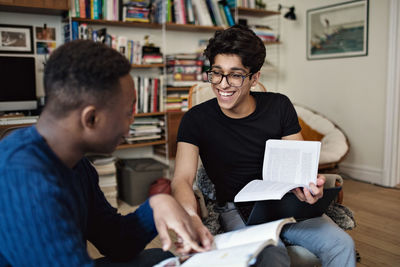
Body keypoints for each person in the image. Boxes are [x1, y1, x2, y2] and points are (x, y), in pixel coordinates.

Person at [0, 40, 206, 267]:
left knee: (162, 258)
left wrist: (157, 204)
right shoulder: (24, 180)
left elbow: (116, 242)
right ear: (91, 119)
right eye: (128, 113)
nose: (132, 122)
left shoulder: (77, 164)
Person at [171, 25, 356, 267]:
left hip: (287, 205)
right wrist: (192, 217)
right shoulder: (195, 119)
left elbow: (299, 168)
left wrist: (311, 188)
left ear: (255, 78)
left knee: (342, 244)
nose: (223, 84)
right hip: (237, 210)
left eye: (235, 75)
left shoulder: (279, 106)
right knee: (271, 256)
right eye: (216, 73)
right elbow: (182, 180)